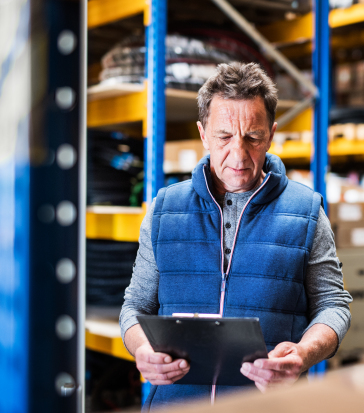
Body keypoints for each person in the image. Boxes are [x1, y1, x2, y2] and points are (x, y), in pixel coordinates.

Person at [120, 62, 352, 411]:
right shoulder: (164, 210)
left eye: (253, 137)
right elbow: (135, 306)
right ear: (203, 134)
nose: (239, 155)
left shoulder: (306, 212)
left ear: (271, 134)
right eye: (224, 137)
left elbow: (333, 305)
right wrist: (142, 349)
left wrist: (303, 353)